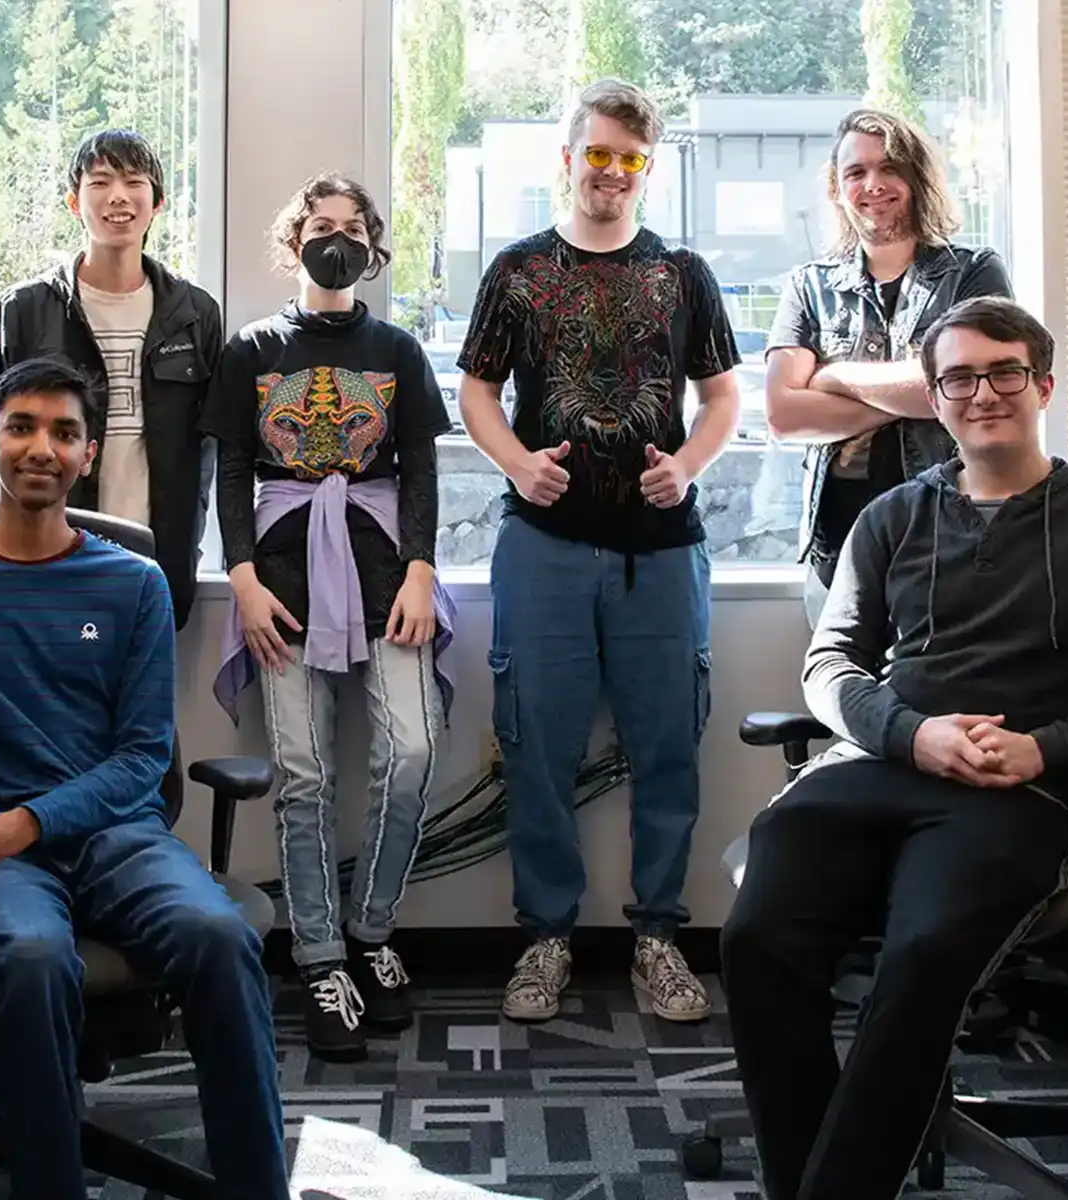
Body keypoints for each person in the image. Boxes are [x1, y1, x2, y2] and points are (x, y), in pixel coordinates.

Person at [720, 297, 1068, 1200]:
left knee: (926, 955)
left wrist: (1043, 751)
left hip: (1015, 795)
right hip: (874, 769)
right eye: (959, 378)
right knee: (757, 943)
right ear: (933, 400)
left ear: (1043, 384)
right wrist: (910, 732)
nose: (984, 394)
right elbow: (831, 666)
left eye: (1005, 371)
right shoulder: (893, 519)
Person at [0, 358, 286, 1200]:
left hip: (113, 839)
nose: (41, 447)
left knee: (220, 939)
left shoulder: (133, 584)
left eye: (64, 433)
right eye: (22, 427)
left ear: (87, 455)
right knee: (35, 957)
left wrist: (28, 821)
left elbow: (142, 760)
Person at [456, 78, 742, 1025]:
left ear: (644, 169)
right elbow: (477, 394)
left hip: (661, 551)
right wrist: (516, 463)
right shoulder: (517, 272)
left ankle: (659, 934)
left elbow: (725, 399)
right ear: (567, 157)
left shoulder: (684, 275)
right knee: (537, 745)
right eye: (598, 153)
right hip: (543, 544)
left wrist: (691, 466)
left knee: (667, 746)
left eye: (630, 159)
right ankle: (546, 938)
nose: (611, 172)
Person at [206, 175, 455, 1062]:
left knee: (413, 748)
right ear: (293, 240)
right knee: (304, 772)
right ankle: (318, 954)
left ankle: (373, 927)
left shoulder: (398, 349)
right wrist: (237, 576)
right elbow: (233, 469)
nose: (335, 240)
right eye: (320, 226)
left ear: (374, 248)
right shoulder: (251, 350)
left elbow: (421, 467)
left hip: (386, 569)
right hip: (280, 577)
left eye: (352, 229)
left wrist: (423, 569)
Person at [0, 128, 223, 630]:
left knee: (144, 705)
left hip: (154, 564)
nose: (118, 196)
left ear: (158, 202)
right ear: (74, 201)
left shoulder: (194, 313)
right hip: (44, 562)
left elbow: (209, 451)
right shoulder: (25, 309)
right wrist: (7, 540)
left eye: (133, 181)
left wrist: (187, 543)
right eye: (99, 182)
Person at [763, 108, 1014, 628]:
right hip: (837, 553)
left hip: (949, 542)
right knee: (845, 702)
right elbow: (783, 413)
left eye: (889, 167)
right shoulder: (809, 287)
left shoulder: (973, 273)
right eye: (856, 173)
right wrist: (918, 389)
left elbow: (968, 393)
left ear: (916, 177)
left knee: (940, 702)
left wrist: (834, 380)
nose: (873, 185)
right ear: (838, 188)